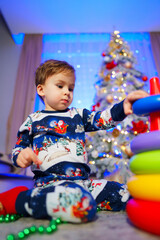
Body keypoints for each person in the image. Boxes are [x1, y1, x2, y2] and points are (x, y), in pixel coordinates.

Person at [0, 60, 148, 223]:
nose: (67, 92)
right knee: (78, 206)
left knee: (124, 193)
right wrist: (22, 154)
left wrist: (123, 106)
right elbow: (17, 149)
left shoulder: (78, 115)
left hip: (84, 183)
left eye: (71, 88)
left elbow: (102, 119)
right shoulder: (33, 120)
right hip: (50, 184)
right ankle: (19, 199)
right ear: (41, 90)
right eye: (60, 86)